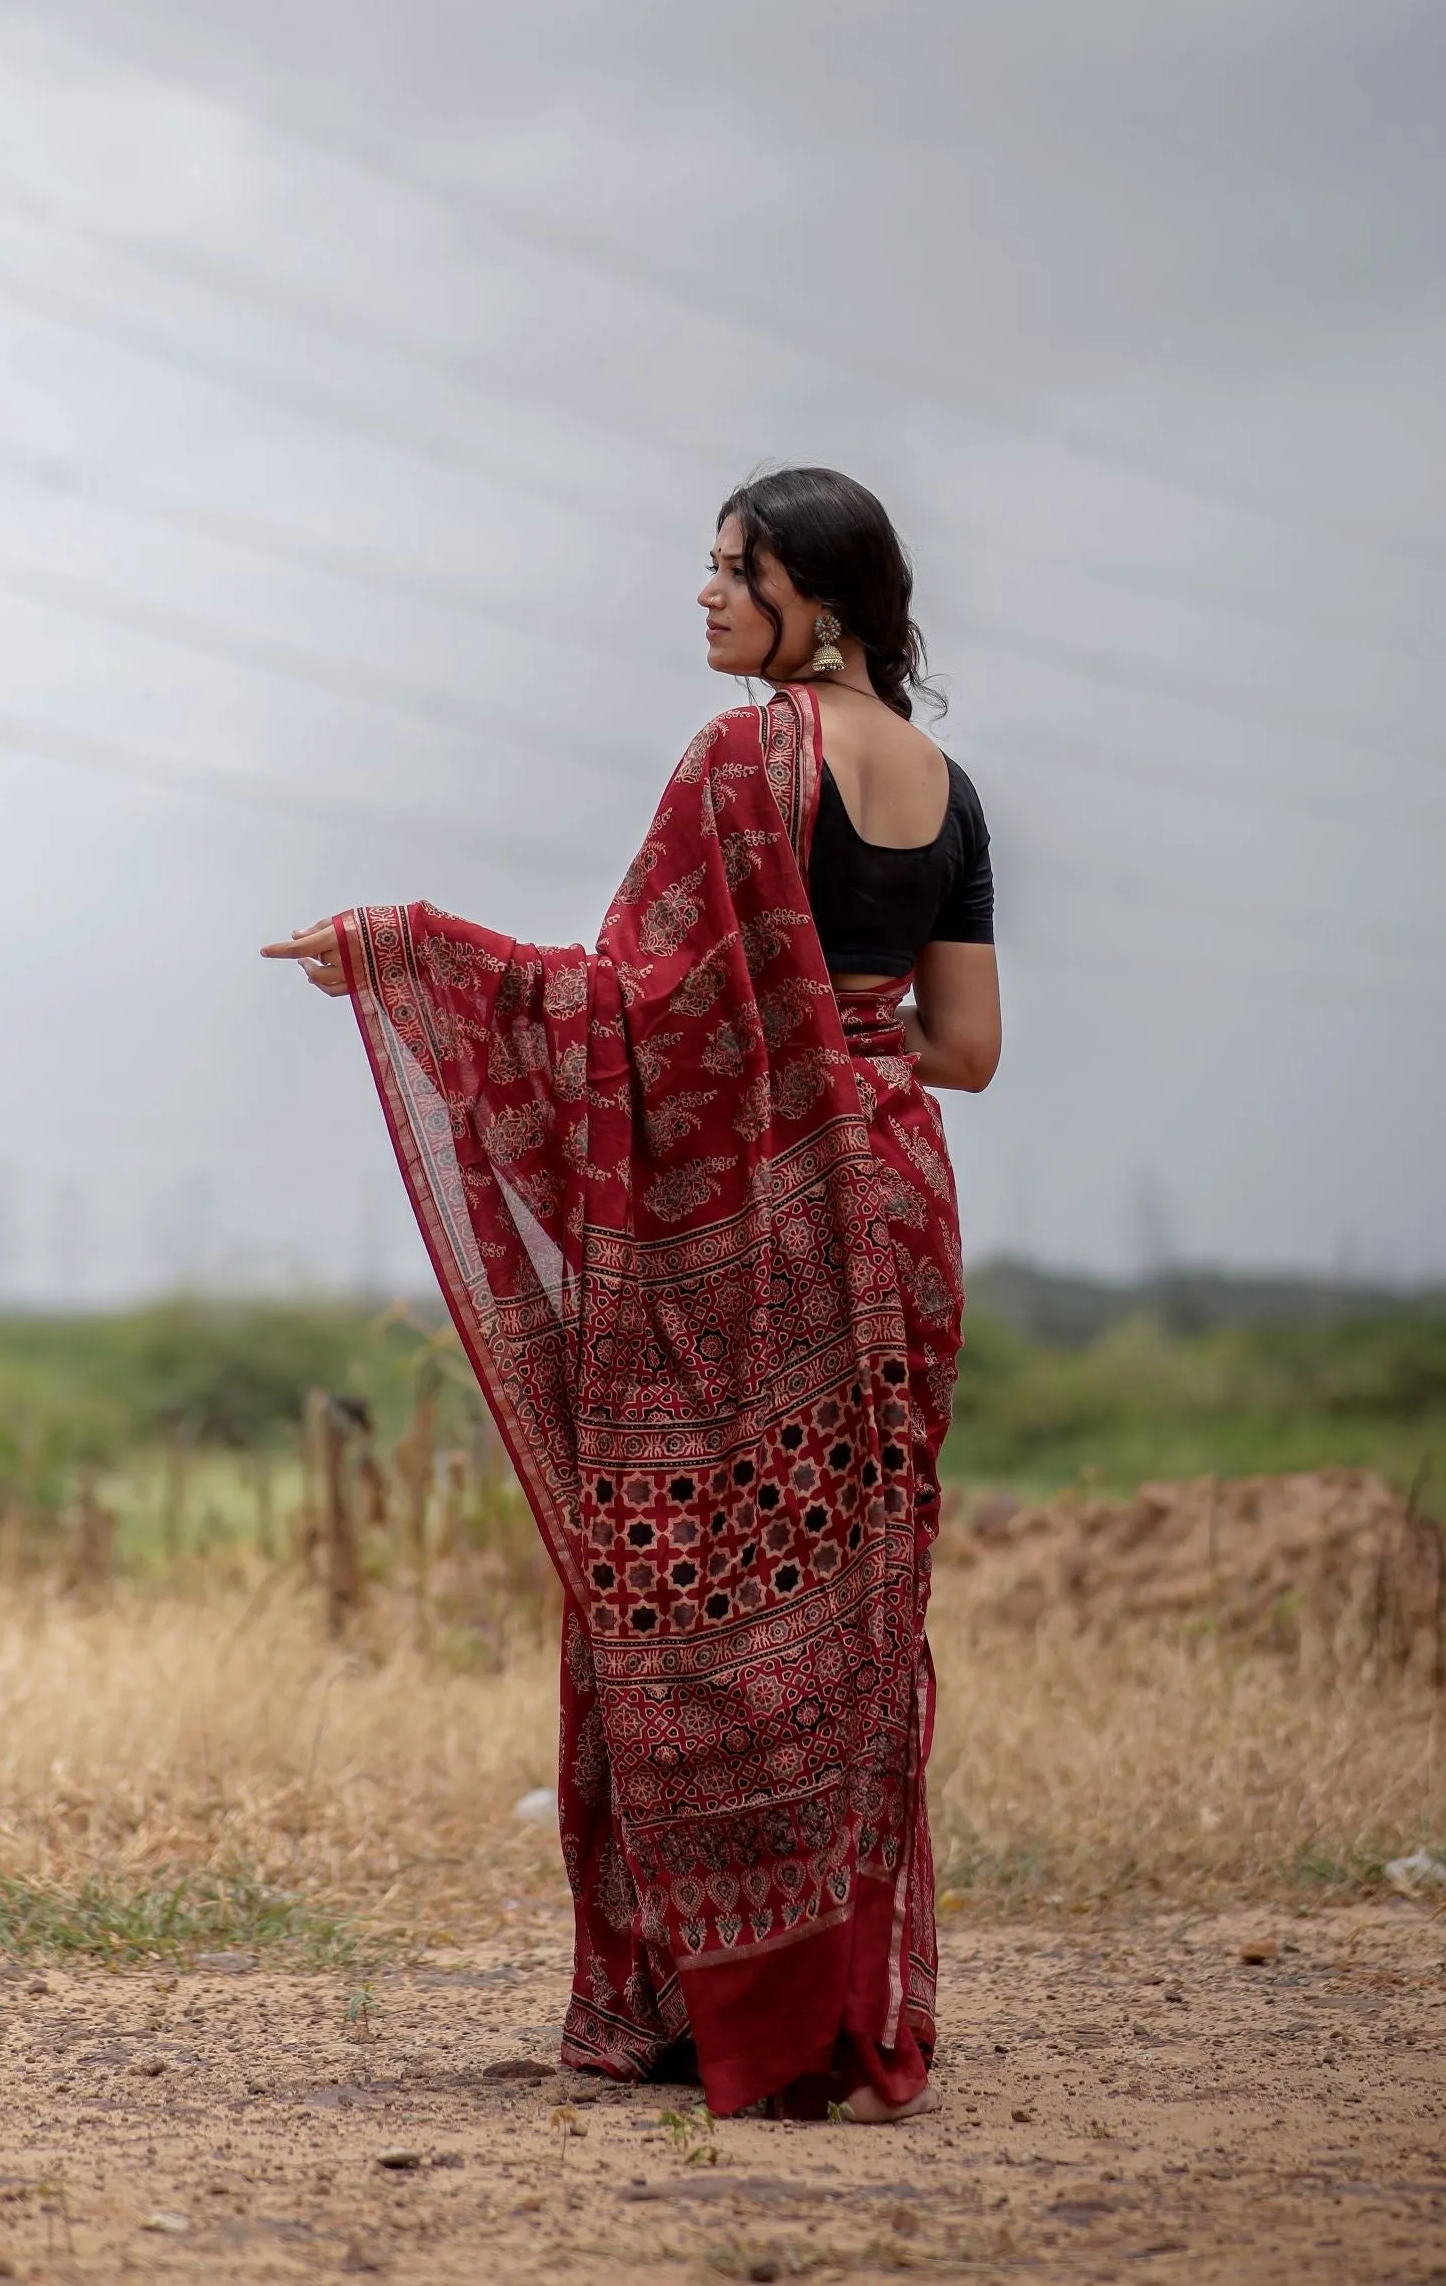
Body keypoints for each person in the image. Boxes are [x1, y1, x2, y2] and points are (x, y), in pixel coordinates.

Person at [262, 466, 1000, 2122]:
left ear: (821, 594)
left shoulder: (746, 759)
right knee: (855, 1620)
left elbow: (627, 1011)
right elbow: (967, 1053)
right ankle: (835, 2010)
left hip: (748, 1236)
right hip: (890, 1216)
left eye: (736, 571)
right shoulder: (950, 792)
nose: (706, 594)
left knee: (688, 1602)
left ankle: (712, 2008)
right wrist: (833, 1051)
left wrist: (407, 950)